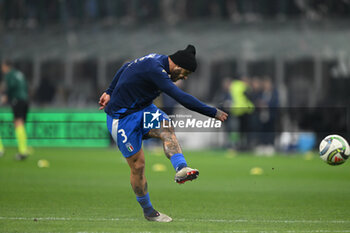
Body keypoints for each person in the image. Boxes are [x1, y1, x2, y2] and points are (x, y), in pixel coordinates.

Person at [99, 45, 228, 222]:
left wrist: (109, 91)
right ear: (178, 67)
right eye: (185, 73)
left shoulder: (159, 60)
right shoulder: (156, 70)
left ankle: (181, 168)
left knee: (166, 128)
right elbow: (182, 97)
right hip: (121, 118)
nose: (184, 77)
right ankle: (149, 211)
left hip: (144, 109)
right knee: (138, 166)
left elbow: (126, 65)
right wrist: (213, 112)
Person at [0, 60, 30, 160]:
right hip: (25, 100)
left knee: (18, 123)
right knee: (20, 123)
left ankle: (22, 151)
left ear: (6, 66)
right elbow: (25, 86)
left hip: (17, 100)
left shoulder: (9, 75)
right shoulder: (19, 74)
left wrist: (5, 96)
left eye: (2, 66)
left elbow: (11, 86)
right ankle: (23, 150)